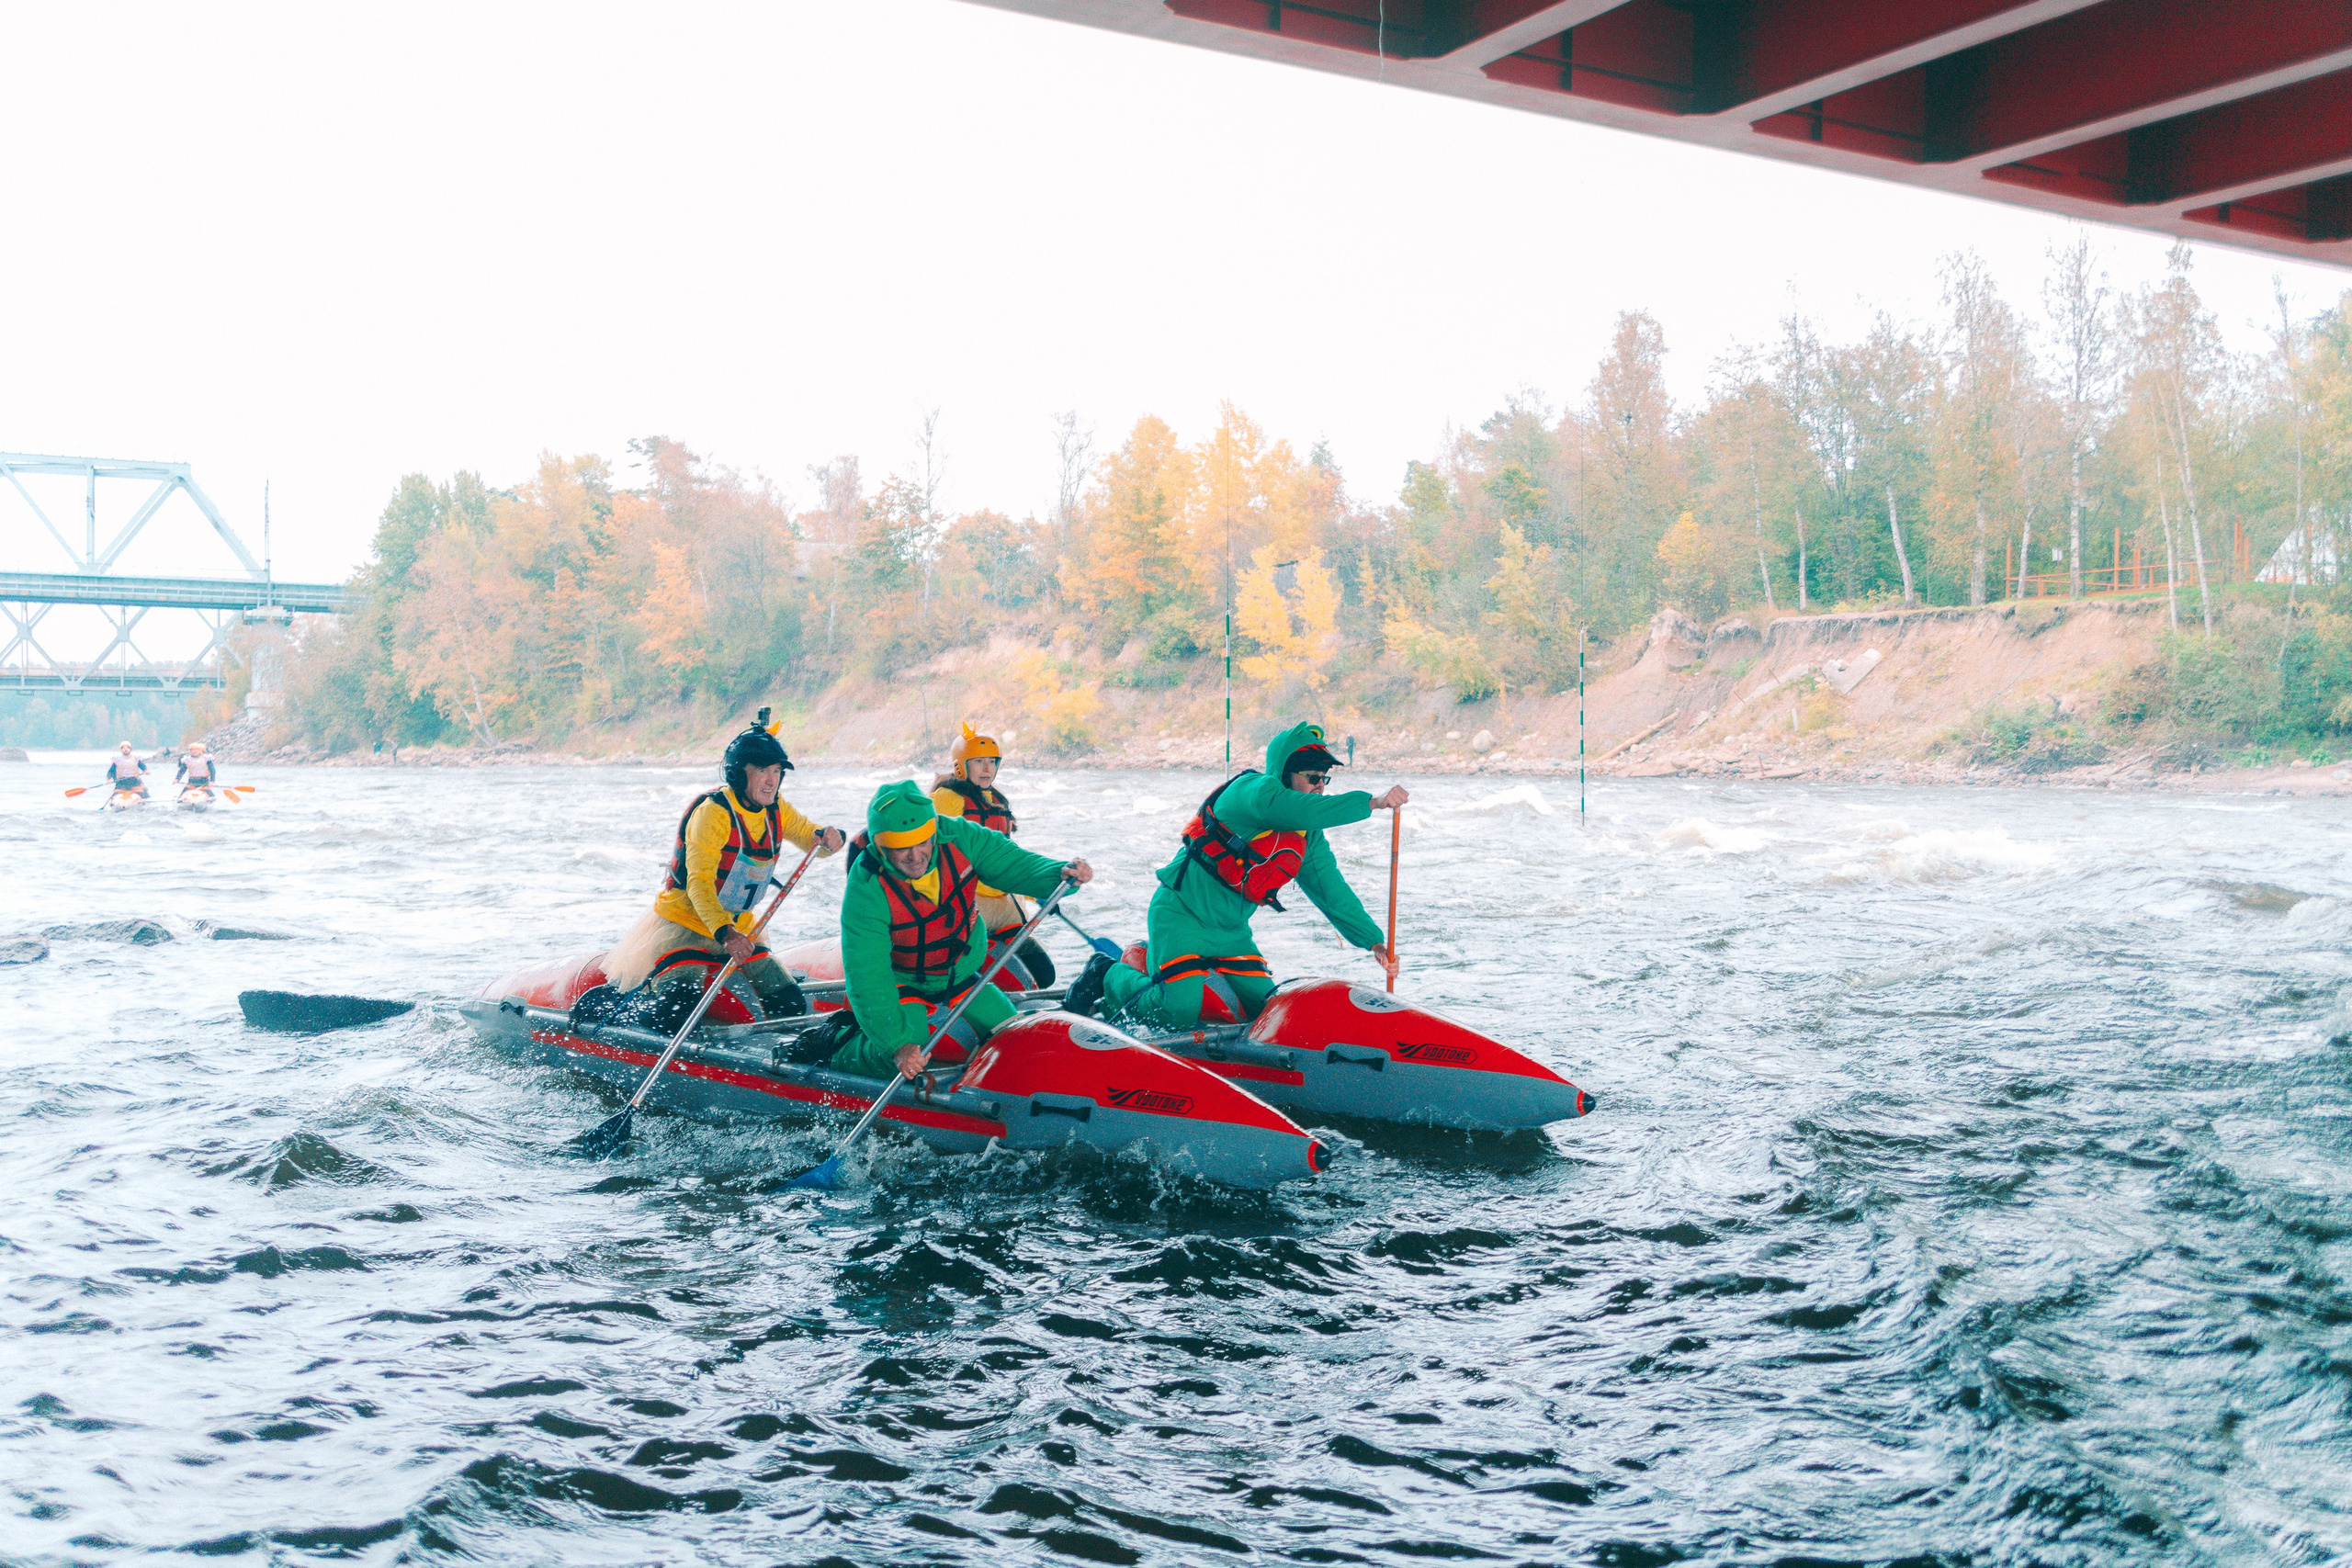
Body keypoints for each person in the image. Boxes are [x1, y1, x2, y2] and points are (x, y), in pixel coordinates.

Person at [1069, 720, 1406, 1029]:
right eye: (1312, 778)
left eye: (1324, 779)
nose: (1320, 787)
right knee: (1177, 1012)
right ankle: (1107, 973)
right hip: (1181, 917)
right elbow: (1292, 807)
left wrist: (1373, 941)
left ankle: (1150, 959)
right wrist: (1372, 802)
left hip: (1231, 933)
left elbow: (1331, 891)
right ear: (1285, 773)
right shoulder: (1254, 792)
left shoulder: (1307, 834)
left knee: (1267, 1012)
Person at [820, 780, 1091, 1083]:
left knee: (1014, 1036)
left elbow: (1010, 861)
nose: (915, 856)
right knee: (906, 1050)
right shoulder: (866, 885)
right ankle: (837, 1046)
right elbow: (867, 973)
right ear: (881, 847)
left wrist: (1057, 874)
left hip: (960, 975)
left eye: (922, 842)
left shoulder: (959, 836)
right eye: (901, 848)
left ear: (933, 831)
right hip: (903, 981)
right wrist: (897, 1046)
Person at [604, 714, 845, 1027]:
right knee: (674, 1011)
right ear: (738, 774)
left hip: (739, 928)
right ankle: (624, 1013)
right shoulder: (713, 814)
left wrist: (829, 838)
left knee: (789, 1003)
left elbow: (811, 839)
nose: (771, 780)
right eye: (762, 771)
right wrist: (725, 934)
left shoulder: (776, 808)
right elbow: (699, 884)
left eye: (777, 771)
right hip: (686, 928)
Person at [929, 721, 1054, 987]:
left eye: (992, 762)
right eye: (979, 762)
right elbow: (928, 848)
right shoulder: (947, 798)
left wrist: (1036, 891)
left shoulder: (996, 800)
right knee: (1008, 977)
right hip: (969, 902)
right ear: (961, 765)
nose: (987, 769)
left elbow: (1006, 857)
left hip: (1004, 903)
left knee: (1044, 974)